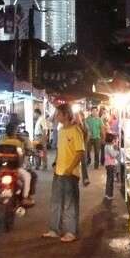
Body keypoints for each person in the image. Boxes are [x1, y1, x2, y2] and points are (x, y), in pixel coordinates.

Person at [43, 103, 85, 243]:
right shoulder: (61, 130)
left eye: (59, 113)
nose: (56, 116)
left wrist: (70, 168)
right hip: (59, 172)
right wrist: (56, 164)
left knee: (69, 204)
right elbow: (60, 151)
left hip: (70, 174)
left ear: (66, 115)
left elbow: (80, 152)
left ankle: (71, 232)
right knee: (56, 202)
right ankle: (54, 229)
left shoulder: (75, 130)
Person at [0, 123, 34, 206]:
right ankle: (25, 198)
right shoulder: (19, 141)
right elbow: (24, 152)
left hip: (2, 168)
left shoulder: (1, 140)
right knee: (27, 177)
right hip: (16, 168)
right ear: (15, 131)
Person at [75, 111, 90, 186]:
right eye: (77, 116)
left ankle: (85, 178)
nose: (78, 118)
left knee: (83, 162)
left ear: (83, 117)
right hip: (74, 147)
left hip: (82, 146)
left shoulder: (84, 125)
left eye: (79, 116)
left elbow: (87, 134)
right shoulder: (72, 125)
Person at [104, 133, 119, 200]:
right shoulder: (109, 147)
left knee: (109, 179)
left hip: (108, 165)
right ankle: (109, 194)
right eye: (114, 139)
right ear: (111, 140)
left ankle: (107, 194)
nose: (114, 140)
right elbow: (113, 155)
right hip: (110, 165)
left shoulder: (107, 146)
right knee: (110, 180)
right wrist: (117, 151)